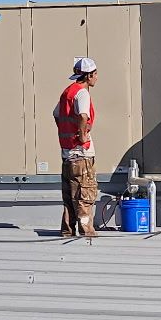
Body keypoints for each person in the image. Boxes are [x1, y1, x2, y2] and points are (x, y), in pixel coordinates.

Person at [54, 56, 100, 239]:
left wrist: (67, 132)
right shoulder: (82, 93)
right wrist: (81, 135)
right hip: (81, 153)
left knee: (69, 196)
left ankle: (67, 230)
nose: (97, 77)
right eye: (95, 74)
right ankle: (87, 232)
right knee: (85, 193)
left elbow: (56, 114)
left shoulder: (67, 92)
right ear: (88, 76)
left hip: (67, 152)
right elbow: (82, 116)